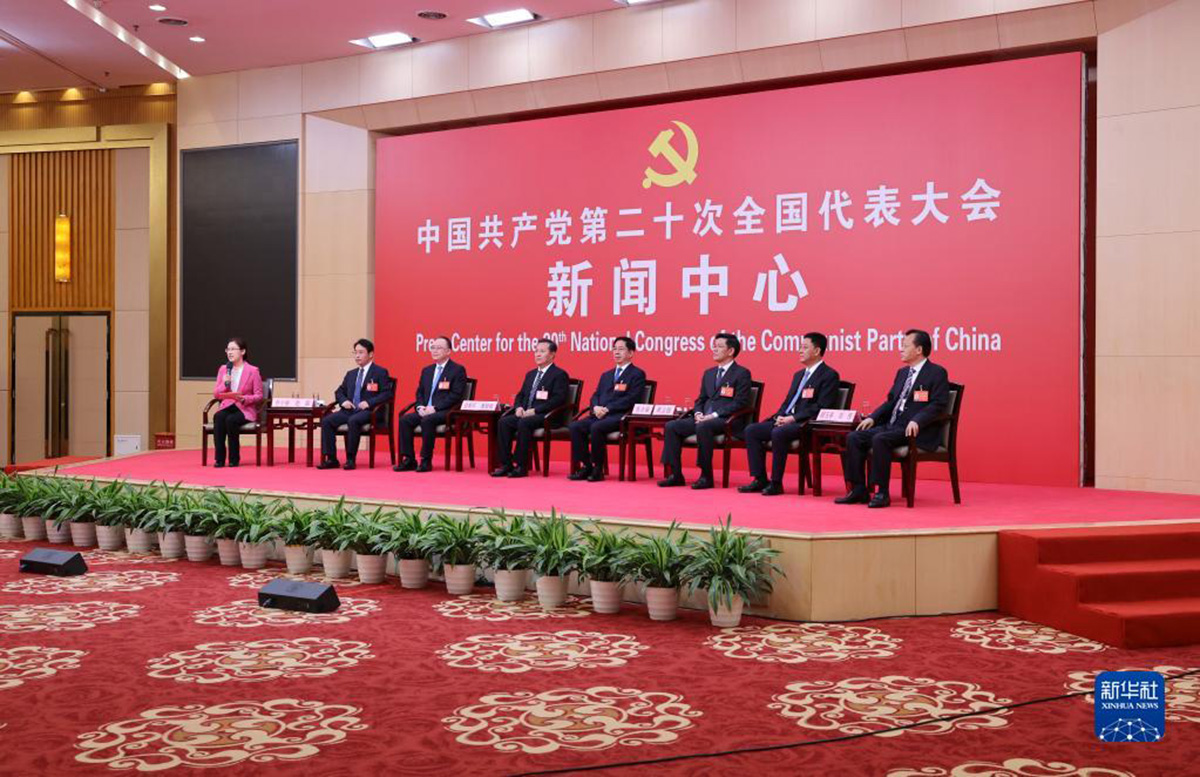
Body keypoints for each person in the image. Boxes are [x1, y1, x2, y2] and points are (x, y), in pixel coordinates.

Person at [836, 329, 949, 508]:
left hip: (915, 429)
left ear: (919, 350)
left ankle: (882, 492)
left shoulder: (936, 373)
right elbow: (891, 402)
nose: (900, 349)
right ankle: (858, 489)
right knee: (854, 437)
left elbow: (938, 404)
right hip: (892, 425)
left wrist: (917, 420)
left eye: (905, 346)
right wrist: (873, 418)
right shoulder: (902, 373)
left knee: (880, 439)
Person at [739, 332, 841, 496]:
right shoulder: (799, 375)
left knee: (778, 432)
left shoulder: (829, 375)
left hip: (807, 425)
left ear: (817, 351)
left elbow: (822, 407)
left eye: (804, 347)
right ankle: (760, 479)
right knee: (752, 430)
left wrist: (792, 418)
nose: (800, 350)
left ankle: (776, 483)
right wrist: (780, 416)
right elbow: (788, 402)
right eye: (800, 347)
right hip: (788, 421)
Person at [659, 333, 752, 490]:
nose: (714, 349)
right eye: (714, 346)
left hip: (727, 420)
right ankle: (675, 475)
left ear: (731, 351)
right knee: (671, 426)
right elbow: (701, 399)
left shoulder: (741, 373)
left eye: (719, 346)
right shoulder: (709, 373)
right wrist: (698, 413)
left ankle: (706, 476)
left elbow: (740, 402)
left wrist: (713, 415)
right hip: (704, 418)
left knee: (703, 426)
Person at [568, 336, 646, 482]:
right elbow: (596, 395)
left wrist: (608, 409)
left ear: (630, 353)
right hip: (599, 414)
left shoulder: (637, 374)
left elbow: (632, 398)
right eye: (614, 349)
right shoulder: (606, 375)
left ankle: (598, 469)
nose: (616, 352)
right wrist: (595, 407)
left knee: (597, 427)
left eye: (621, 349)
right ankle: (587, 465)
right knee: (575, 427)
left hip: (620, 416)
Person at [491, 338, 569, 479]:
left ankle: (521, 466)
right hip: (527, 414)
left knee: (524, 423)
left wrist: (535, 411)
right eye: (536, 351)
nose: (537, 354)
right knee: (504, 422)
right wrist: (519, 407)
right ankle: (506, 464)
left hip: (547, 416)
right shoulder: (531, 374)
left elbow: (558, 400)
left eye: (542, 351)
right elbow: (520, 395)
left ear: (552, 354)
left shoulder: (559, 374)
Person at [317, 338, 394, 471]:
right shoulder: (351, 374)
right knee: (327, 421)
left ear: (370, 354)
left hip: (370, 412)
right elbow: (339, 391)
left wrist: (369, 402)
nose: (357, 356)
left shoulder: (380, 372)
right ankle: (331, 459)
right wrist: (344, 401)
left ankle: (350, 459)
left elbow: (387, 394)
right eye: (355, 352)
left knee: (353, 420)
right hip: (349, 410)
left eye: (361, 352)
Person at [394, 336, 467, 472]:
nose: (435, 350)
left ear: (448, 351)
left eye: (439, 348)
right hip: (426, 410)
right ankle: (409, 459)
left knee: (428, 420)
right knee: (405, 420)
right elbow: (420, 392)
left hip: (446, 411)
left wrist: (435, 408)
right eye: (433, 347)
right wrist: (420, 406)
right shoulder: (427, 370)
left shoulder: (457, 370)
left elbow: (456, 395)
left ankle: (426, 460)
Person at [210, 337, 264, 468]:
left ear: (243, 351)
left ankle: (234, 459)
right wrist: (224, 383)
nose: (230, 352)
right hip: (228, 405)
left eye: (233, 349)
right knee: (218, 417)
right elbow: (216, 394)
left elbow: (259, 396)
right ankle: (219, 459)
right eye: (228, 349)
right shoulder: (224, 369)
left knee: (231, 420)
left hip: (245, 407)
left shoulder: (253, 371)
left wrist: (245, 399)